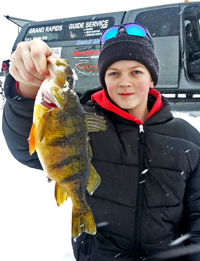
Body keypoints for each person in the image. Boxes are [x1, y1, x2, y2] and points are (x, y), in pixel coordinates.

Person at [2, 23, 200, 261]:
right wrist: (25, 88)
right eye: (113, 73)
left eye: (136, 72)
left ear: (152, 79)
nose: (124, 81)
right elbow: (27, 148)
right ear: (104, 79)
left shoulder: (188, 138)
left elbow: (197, 212)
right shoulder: (85, 120)